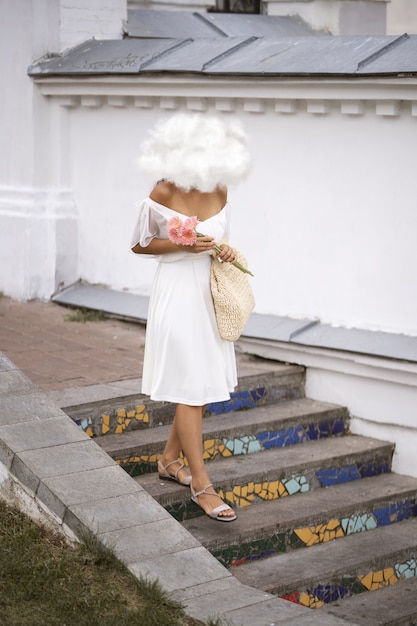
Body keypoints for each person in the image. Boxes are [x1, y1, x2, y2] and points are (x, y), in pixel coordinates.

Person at [130, 113, 251, 522]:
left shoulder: (221, 188)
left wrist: (225, 249)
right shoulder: (164, 189)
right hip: (176, 291)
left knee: (196, 381)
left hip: (207, 292)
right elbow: (140, 244)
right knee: (191, 385)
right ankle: (202, 484)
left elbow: (219, 240)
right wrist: (181, 243)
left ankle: (168, 460)